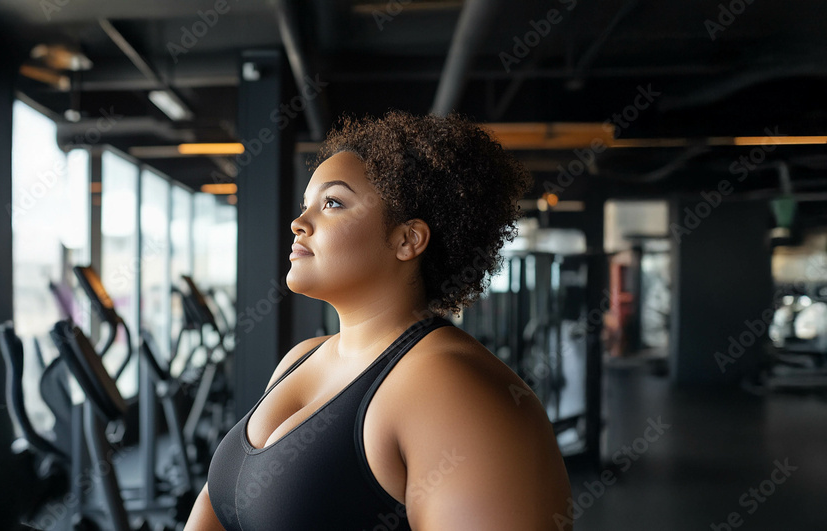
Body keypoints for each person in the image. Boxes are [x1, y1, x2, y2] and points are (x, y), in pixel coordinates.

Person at [185, 111, 572, 530]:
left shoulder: (452, 388)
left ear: (407, 239)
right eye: (305, 206)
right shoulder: (302, 358)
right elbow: (219, 502)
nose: (298, 223)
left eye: (332, 203)